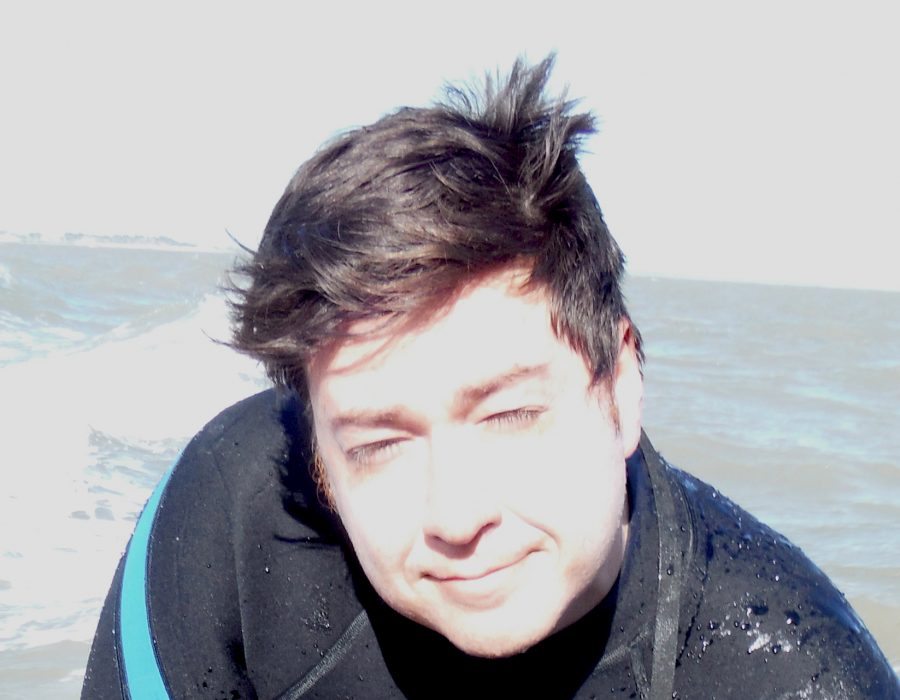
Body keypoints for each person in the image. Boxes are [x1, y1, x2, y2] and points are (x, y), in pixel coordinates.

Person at [82, 57, 898, 699]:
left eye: (509, 416)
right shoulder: (229, 517)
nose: (456, 516)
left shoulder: (790, 670)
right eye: (379, 445)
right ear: (321, 461)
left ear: (621, 387)